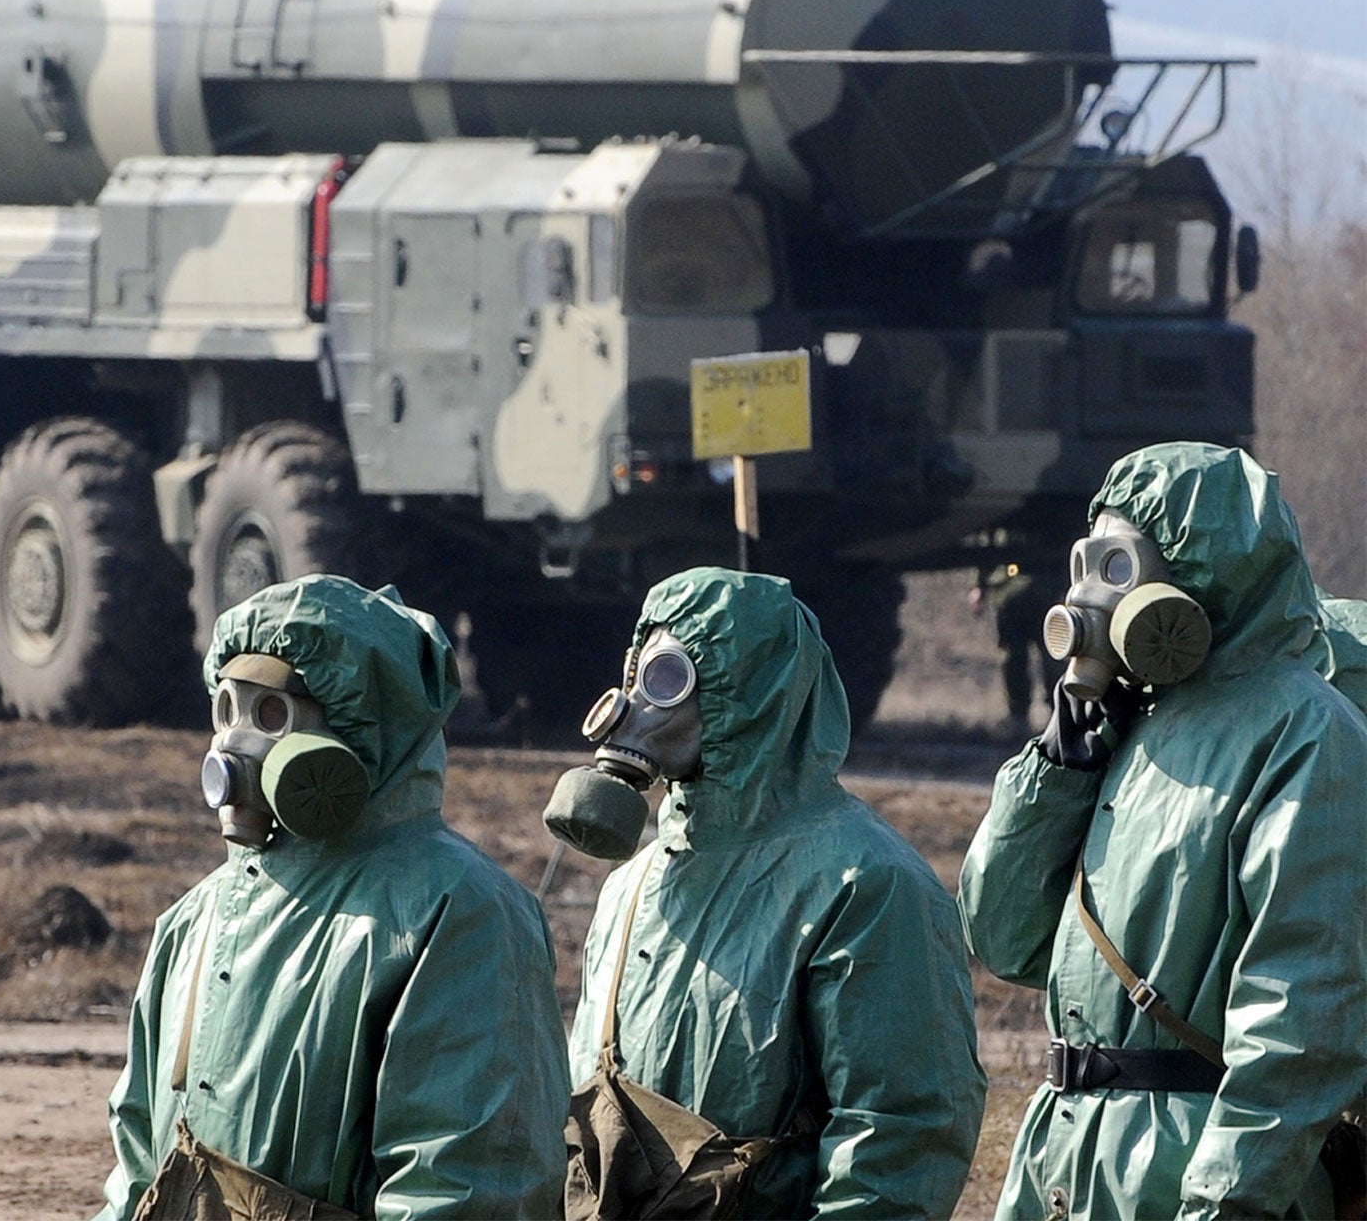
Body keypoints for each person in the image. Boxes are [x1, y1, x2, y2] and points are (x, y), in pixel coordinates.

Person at [959, 442, 1367, 1220]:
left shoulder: (1305, 731)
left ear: (1203, 573)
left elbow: (1301, 1020)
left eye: (1118, 569)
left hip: (1189, 1172)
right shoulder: (1127, 729)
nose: (1089, 597)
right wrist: (1059, 765)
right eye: (1085, 565)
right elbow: (1002, 937)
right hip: (1061, 1164)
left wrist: (1223, 1204)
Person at [94, 575, 570, 1221]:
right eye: (225, 710)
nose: (235, 745)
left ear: (364, 722)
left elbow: (463, 1187)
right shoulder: (196, 919)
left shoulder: (459, 911)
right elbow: (139, 1165)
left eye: (270, 715)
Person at [544, 566, 985, 1219]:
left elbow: (900, 1133)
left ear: (755, 691)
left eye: (673, 679)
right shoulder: (630, 886)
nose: (640, 703)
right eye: (641, 672)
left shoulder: (867, 883)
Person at [972, 557, 1063, 724]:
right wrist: (981, 584)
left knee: (1052, 656)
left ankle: (1057, 713)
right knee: (1016, 659)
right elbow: (990, 550)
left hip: (1039, 592)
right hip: (1015, 595)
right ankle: (1023, 714)